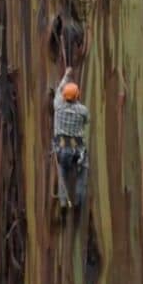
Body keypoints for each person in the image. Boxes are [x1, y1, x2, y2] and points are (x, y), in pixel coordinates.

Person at [53, 66, 88, 209]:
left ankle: (62, 200)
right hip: (76, 152)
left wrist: (66, 75)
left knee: (61, 171)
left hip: (61, 149)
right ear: (77, 96)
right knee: (83, 169)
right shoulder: (82, 111)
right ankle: (79, 199)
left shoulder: (58, 106)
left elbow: (58, 91)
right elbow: (86, 121)